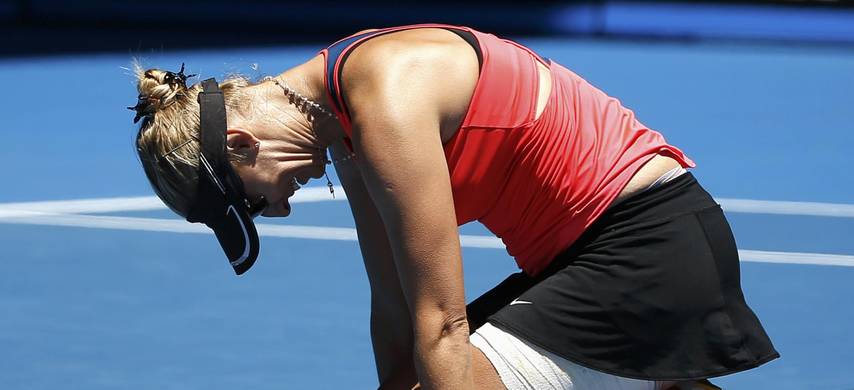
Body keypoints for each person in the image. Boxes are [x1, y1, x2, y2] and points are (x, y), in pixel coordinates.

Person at [128, 23, 778, 390]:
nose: (279, 211)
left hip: (645, 254)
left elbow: (438, 323)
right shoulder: (344, 118)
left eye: (253, 203)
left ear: (241, 144)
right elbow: (394, 305)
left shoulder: (383, 93)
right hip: (613, 257)